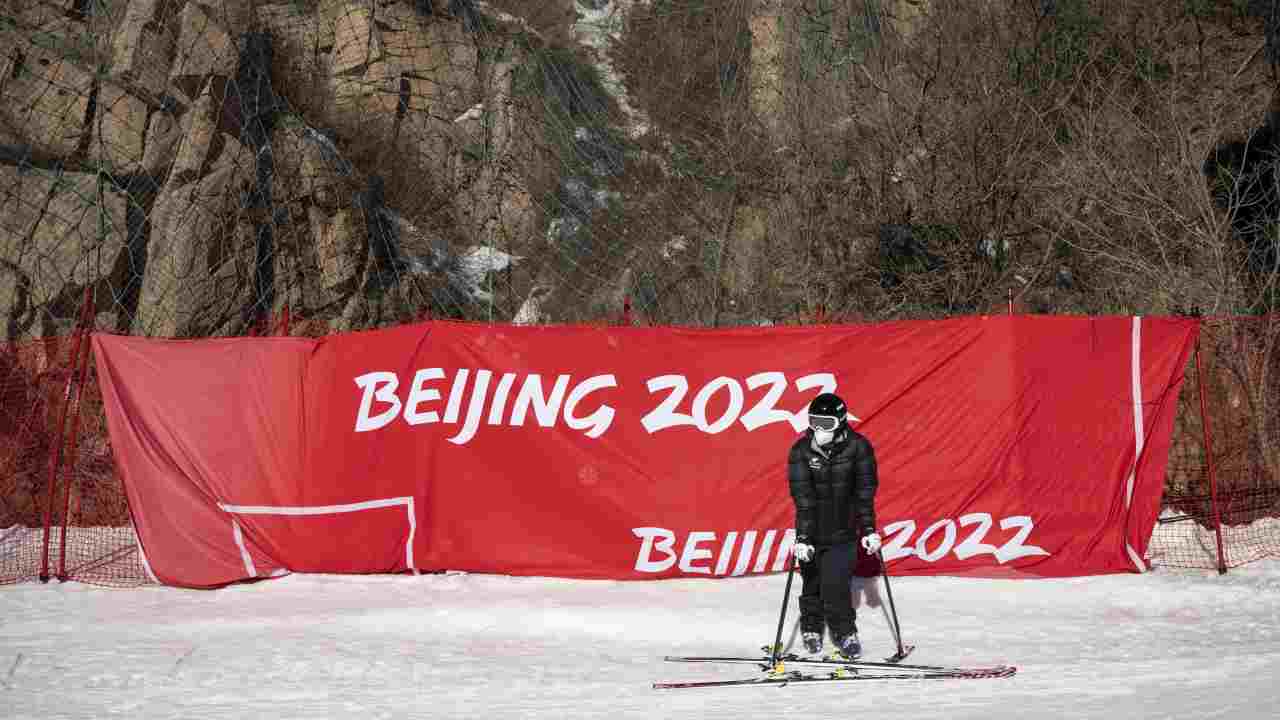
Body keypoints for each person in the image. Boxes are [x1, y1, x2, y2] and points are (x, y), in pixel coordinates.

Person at [788, 392, 881, 658]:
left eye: (826, 423)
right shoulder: (801, 450)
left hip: (844, 531)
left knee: (836, 584)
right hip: (813, 530)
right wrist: (803, 538)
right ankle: (812, 628)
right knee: (812, 583)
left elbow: (865, 492)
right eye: (814, 421)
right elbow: (802, 498)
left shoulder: (859, 447)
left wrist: (870, 530)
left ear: (840, 421)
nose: (819, 429)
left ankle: (845, 632)